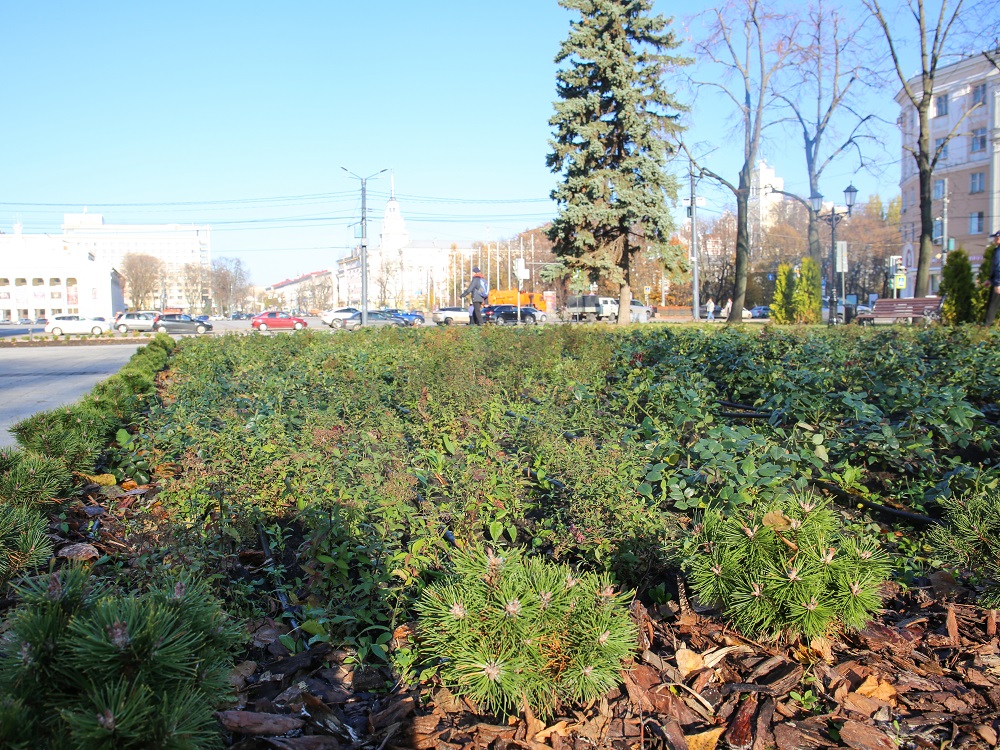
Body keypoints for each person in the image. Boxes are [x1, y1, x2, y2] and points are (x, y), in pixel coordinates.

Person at [985, 230, 1000, 326]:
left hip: (998, 283)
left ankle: (986, 329)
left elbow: (998, 267)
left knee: (992, 306)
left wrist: (998, 283)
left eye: (996, 237)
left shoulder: (999, 251)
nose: (994, 239)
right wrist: (990, 279)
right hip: (996, 281)